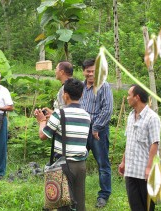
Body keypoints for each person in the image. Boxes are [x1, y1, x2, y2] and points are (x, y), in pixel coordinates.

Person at [35, 78, 91, 211]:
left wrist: (42, 121)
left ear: (64, 95)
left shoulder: (60, 114)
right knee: (79, 203)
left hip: (65, 166)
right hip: (81, 164)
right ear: (82, 95)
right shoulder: (86, 115)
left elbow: (43, 135)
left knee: (64, 203)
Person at [118, 84, 160, 211]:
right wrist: (124, 161)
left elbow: (155, 143)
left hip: (144, 172)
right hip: (131, 170)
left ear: (137, 97)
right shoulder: (131, 116)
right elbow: (129, 141)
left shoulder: (152, 118)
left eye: (129, 95)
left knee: (147, 206)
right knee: (135, 205)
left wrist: (149, 168)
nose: (127, 98)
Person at [79, 58, 113, 208]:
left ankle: (103, 195)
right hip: (82, 130)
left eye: (94, 71)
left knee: (102, 163)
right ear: (84, 71)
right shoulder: (80, 86)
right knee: (77, 160)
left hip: (98, 131)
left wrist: (96, 127)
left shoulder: (103, 86)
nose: (91, 74)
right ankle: (75, 192)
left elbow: (107, 110)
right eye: (88, 71)